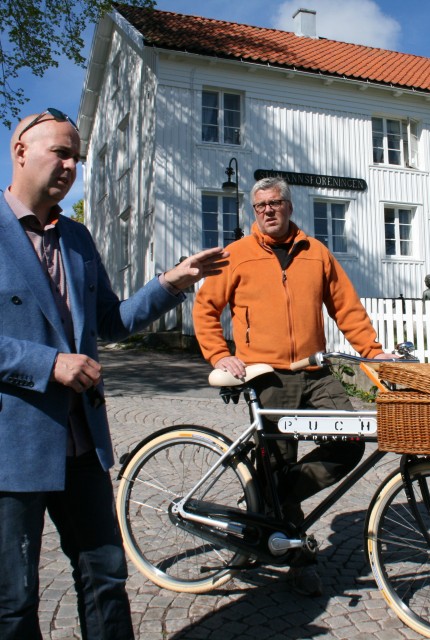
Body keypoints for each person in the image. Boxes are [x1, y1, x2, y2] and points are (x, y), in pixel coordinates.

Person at [0, 108, 229, 640]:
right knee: (13, 601)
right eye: (59, 151)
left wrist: (170, 283)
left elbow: (110, 322)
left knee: (105, 578)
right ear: (20, 152)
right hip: (14, 448)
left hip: (82, 445)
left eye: (75, 156)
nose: (69, 165)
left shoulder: (77, 239)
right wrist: (47, 363)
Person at [193, 176, 394, 597]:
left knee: (350, 441)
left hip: (315, 371)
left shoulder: (316, 252)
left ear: (289, 205)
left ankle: (270, 500)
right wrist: (219, 354)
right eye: (260, 204)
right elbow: (206, 308)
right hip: (265, 375)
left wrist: (372, 352)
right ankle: (296, 556)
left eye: (276, 202)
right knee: (277, 459)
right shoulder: (236, 255)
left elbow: (348, 309)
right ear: (254, 211)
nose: (268, 209)